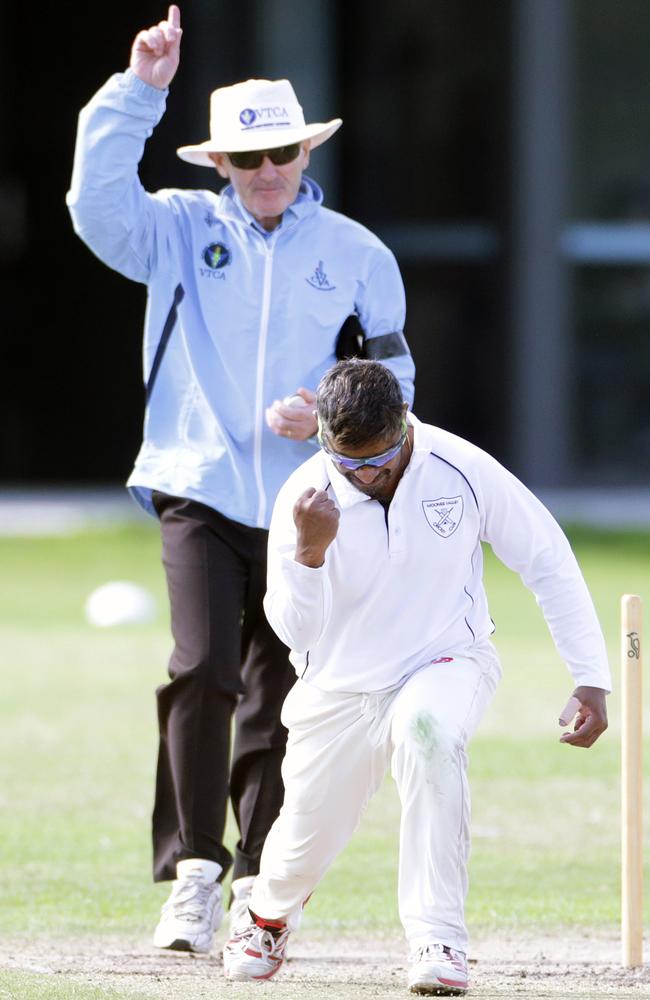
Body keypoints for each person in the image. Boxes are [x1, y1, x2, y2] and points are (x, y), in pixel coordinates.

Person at [66, 6, 415, 954]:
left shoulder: (356, 253)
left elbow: (396, 381)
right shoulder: (172, 230)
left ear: (305, 153)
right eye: (246, 161)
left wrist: (333, 420)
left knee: (280, 688)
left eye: (281, 156)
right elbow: (93, 203)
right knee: (202, 665)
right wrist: (137, 92)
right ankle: (193, 873)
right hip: (194, 480)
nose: (266, 175)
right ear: (217, 163)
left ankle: (263, 878)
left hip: (308, 498)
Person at [222, 359, 610, 994]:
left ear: (404, 426)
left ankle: (438, 939)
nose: (368, 477)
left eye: (381, 458)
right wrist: (310, 553)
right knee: (302, 839)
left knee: (428, 733)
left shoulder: (461, 466)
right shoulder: (303, 496)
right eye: (350, 465)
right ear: (324, 440)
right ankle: (266, 916)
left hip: (446, 656)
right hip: (339, 684)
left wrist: (590, 674)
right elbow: (294, 633)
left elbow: (547, 558)